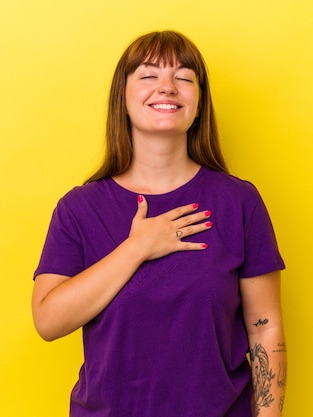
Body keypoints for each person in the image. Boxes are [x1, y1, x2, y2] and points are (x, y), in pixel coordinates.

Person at [32, 30, 287, 417]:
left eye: (183, 78)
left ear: (199, 103)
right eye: (149, 76)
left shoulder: (239, 202)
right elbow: (48, 321)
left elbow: (264, 328)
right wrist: (137, 248)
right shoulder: (79, 209)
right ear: (124, 98)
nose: (167, 88)